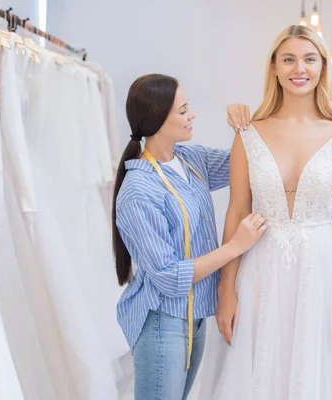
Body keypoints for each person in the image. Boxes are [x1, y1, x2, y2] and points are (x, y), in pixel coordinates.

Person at [196, 25, 332, 399]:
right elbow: (236, 213)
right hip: (261, 268)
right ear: (274, 67)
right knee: (262, 369)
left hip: (321, 273)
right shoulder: (248, 133)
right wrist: (226, 292)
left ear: (323, 67)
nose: (300, 68)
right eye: (290, 59)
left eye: (310, 59)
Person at [111, 73, 266, 400]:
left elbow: (248, 161)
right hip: (162, 325)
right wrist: (235, 246)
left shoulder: (191, 161)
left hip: (195, 319)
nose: (192, 115)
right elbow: (168, 276)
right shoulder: (139, 191)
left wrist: (246, 123)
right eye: (183, 110)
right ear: (157, 118)